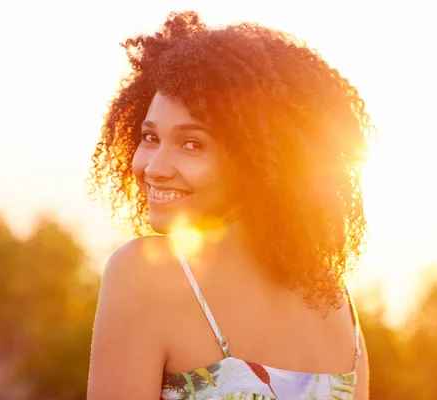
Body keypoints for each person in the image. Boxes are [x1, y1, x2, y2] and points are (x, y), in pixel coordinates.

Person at [87, 10, 372, 400]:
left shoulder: (145, 274)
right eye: (150, 137)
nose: (153, 168)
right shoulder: (340, 307)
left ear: (257, 162)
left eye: (192, 144)